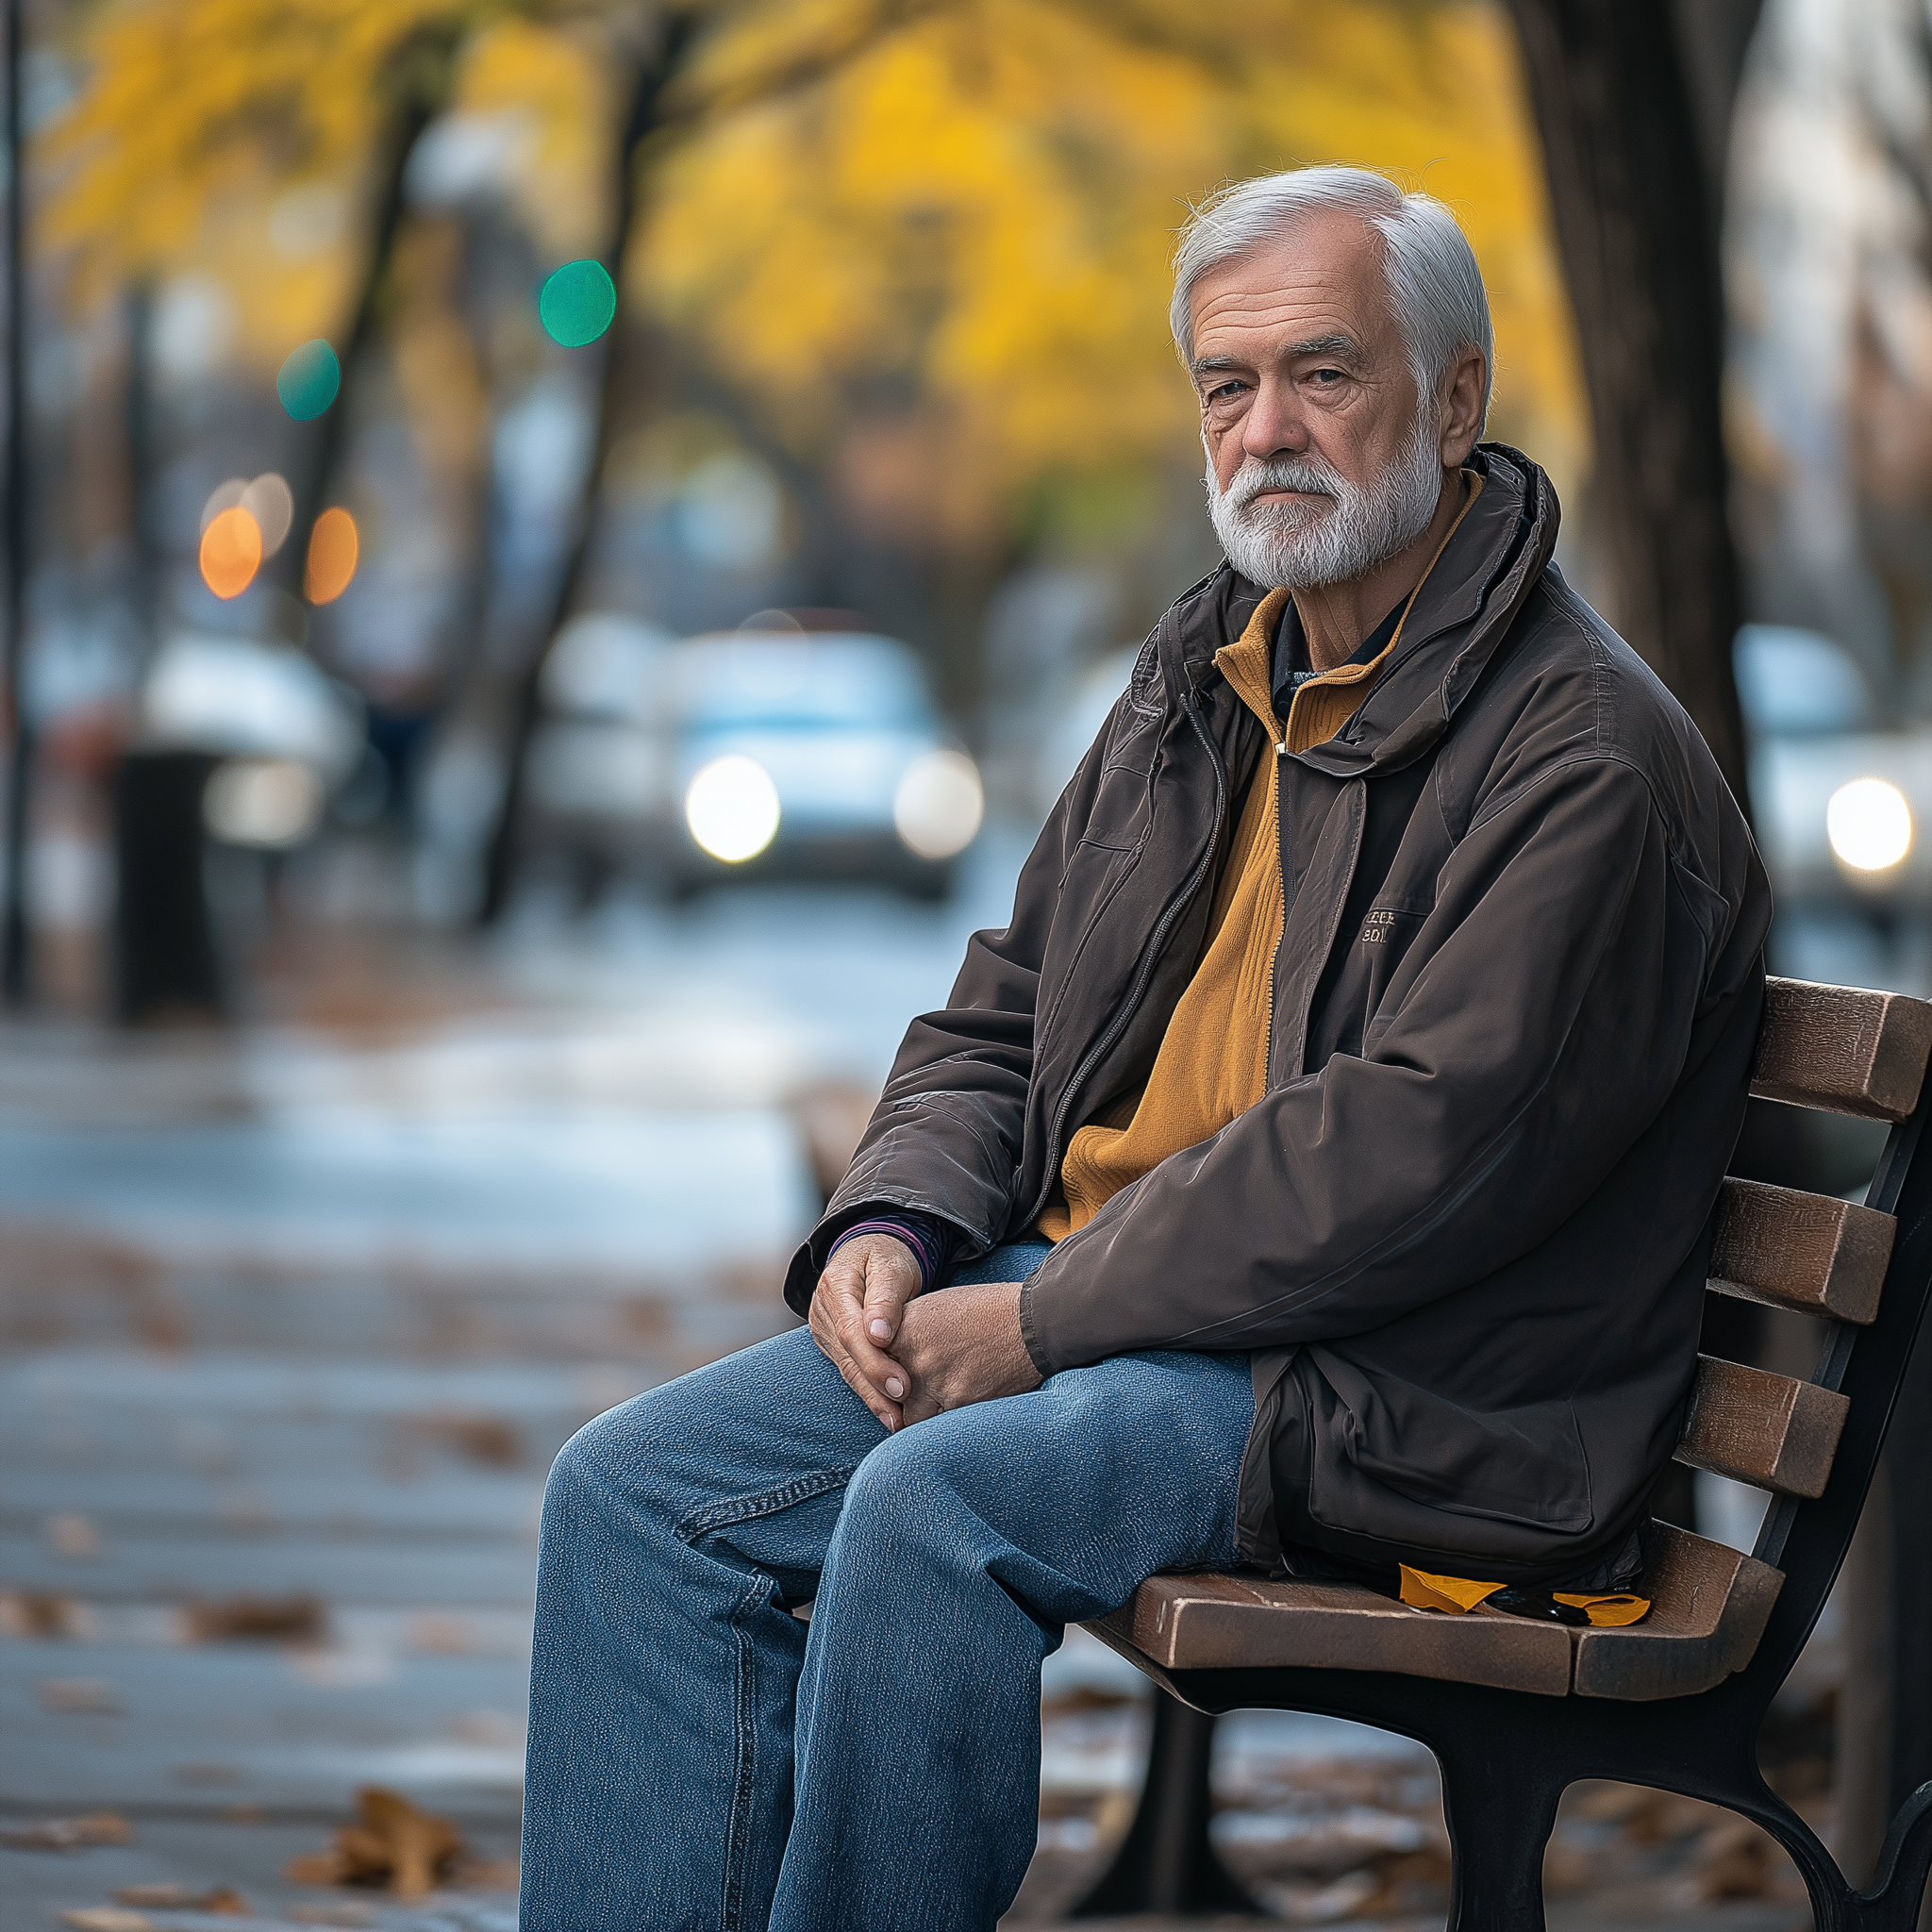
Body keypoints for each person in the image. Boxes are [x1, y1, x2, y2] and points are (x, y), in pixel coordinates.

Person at [519, 164, 1770, 1932]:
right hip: (1122, 1307)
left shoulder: (1584, 764)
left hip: (1385, 1389)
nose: (1268, 431)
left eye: (1324, 374)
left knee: (933, 1514)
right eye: (1225, 385)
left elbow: (1408, 1161)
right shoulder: (1211, 675)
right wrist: (894, 1229)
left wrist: (1033, 1322)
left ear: (1457, 398)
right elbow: (1008, 1001)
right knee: (634, 1499)